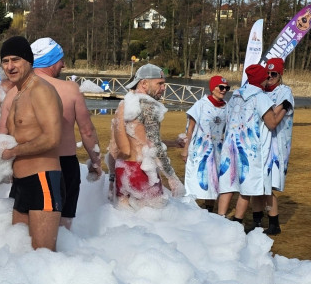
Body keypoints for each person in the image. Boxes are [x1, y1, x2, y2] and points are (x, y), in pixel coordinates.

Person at [29, 38, 102, 229]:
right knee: (63, 226)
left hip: (28, 163)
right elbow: (87, 131)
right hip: (63, 164)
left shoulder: (16, 90)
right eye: (61, 60)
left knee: (28, 225)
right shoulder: (69, 89)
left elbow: (3, 131)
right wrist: (95, 161)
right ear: (51, 61)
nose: (64, 64)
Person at [0, 36, 64, 250]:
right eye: (5, 61)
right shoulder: (18, 95)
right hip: (20, 184)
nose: (10, 66)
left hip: (42, 179)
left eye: (15, 60)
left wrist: (14, 151)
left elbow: (52, 138)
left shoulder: (41, 91)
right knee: (19, 255)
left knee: (43, 256)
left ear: (28, 60)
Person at [216, 63, 286, 224]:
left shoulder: (236, 94)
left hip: (230, 145)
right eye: (266, 76)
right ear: (262, 78)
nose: (268, 78)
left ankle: (219, 219)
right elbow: (272, 123)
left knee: (228, 184)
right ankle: (237, 221)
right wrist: (283, 108)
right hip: (249, 148)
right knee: (247, 187)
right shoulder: (260, 97)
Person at [109, 63, 183, 206]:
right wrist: (172, 177)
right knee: (151, 224)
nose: (163, 88)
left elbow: (114, 146)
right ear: (144, 83)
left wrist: (112, 178)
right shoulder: (149, 106)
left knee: (126, 221)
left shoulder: (123, 104)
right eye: (159, 83)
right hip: (141, 171)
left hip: (122, 170)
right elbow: (154, 145)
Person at [255, 57, 294, 235]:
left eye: (274, 73)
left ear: (280, 75)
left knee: (268, 184)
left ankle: (273, 223)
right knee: (257, 183)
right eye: (267, 73)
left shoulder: (284, 91)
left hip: (276, 144)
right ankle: (256, 221)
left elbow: (274, 115)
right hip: (259, 143)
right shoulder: (261, 91)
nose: (270, 76)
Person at [180, 75, 229, 206]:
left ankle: (209, 210)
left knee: (214, 180)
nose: (224, 90)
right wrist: (185, 149)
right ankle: (189, 207)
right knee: (196, 179)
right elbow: (190, 129)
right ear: (213, 88)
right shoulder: (200, 105)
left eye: (226, 88)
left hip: (217, 150)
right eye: (221, 87)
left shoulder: (227, 107)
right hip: (200, 149)